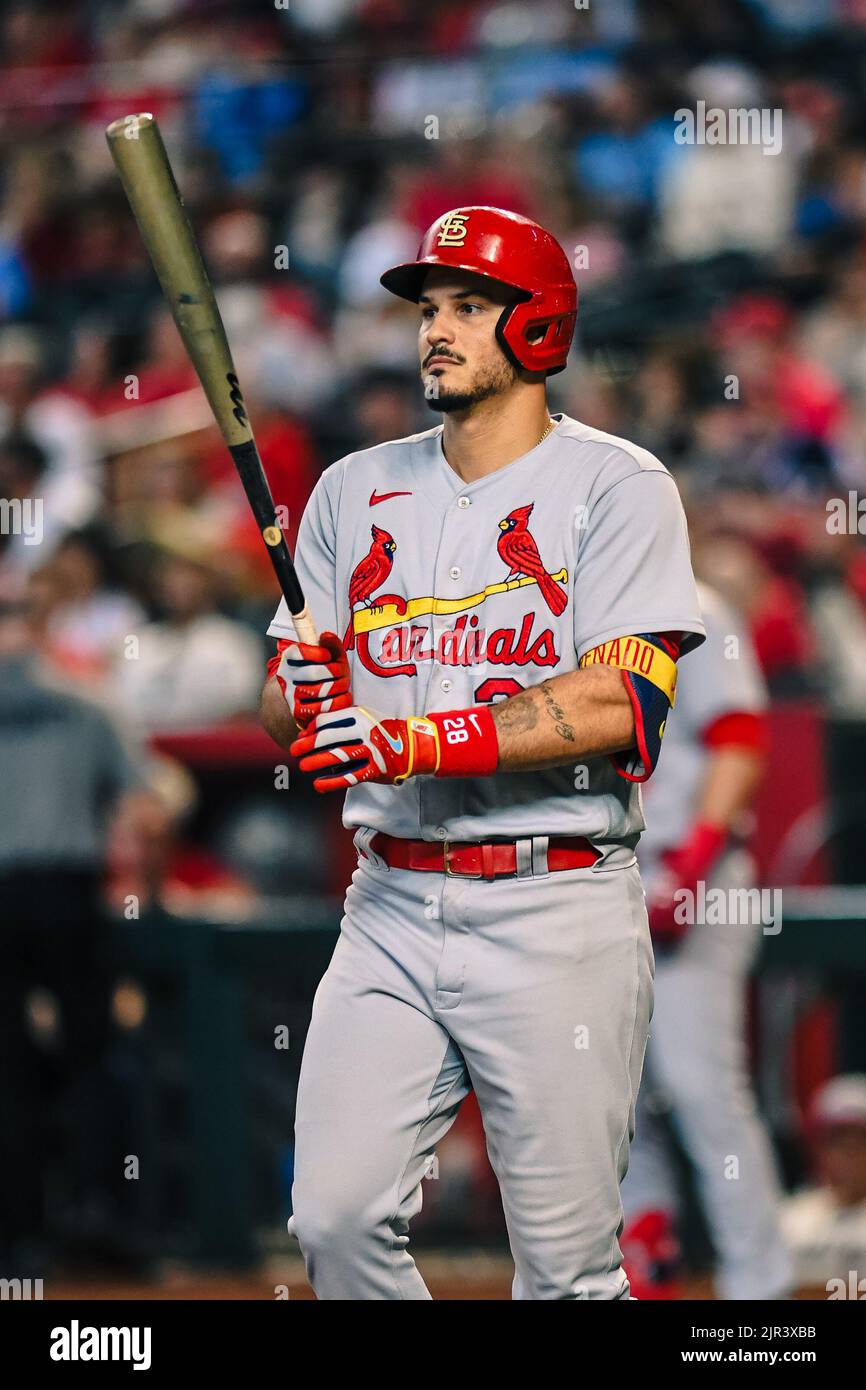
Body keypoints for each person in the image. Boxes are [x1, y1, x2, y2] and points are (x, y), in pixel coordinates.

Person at [260, 207, 706, 1300]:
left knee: (563, 1271)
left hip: (553, 900)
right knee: (334, 1216)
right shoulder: (352, 488)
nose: (435, 331)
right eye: (427, 309)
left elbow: (619, 702)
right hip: (391, 901)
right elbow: (281, 707)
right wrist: (300, 692)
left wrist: (412, 736)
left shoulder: (617, 483)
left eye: (468, 306)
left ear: (539, 327)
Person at [619, 580, 792, 1300]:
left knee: (700, 1088)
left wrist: (695, 859)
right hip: (607, 879)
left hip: (699, 874)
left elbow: (740, 740)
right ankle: (643, 1269)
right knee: (617, 1100)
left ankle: (759, 1288)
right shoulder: (572, 608)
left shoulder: (692, 603)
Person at [780, 1074, 866, 1293]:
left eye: (860, 1141)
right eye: (838, 1142)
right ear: (818, 1148)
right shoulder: (789, 1218)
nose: (850, 1154)